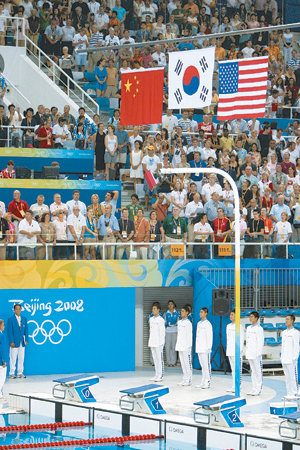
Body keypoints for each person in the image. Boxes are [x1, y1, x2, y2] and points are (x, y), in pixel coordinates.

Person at [245, 311, 264, 396]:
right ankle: (253, 388)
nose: (250, 318)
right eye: (250, 316)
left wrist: (258, 353)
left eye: (252, 317)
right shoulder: (248, 328)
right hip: (250, 353)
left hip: (256, 354)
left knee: (258, 371)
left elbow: (260, 342)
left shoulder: (259, 329)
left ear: (256, 318)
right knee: (253, 371)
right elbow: (248, 341)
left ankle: (258, 388)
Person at [7, 304, 28, 379]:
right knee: (13, 358)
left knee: (21, 358)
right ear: (14, 310)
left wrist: (26, 340)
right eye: (16, 309)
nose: (18, 310)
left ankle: (20, 372)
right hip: (14, 342)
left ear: (21, 309)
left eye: (19, 309)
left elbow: (26, 330)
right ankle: (12, 373)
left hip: (22, 342)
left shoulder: (24, 319)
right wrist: (11, 341)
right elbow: (9, 331)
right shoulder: (11, 319)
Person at [281, 314, 299, 399]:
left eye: (288, 319)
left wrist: (294, 357)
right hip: (284, 358)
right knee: (287, 377)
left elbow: (296, 346)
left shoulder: (296, 332)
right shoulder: (284, 332)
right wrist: (282, 357)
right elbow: (283, 346)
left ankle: (294, 392)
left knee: (293, 376)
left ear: (292, 321)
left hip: (291, 358)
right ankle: (289, 392)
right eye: (286, 319)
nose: (286, 321)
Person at [226, 309, 245, 393]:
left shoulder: (239, 326)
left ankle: (238, 385)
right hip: (230, 350)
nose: (231, 316)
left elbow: (241, 339)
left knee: (238, 370)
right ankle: (234, 385)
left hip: (236, 351)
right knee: (233, 370)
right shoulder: (228, 326)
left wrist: (239, 350)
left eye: (232, 314)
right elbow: (228, 339)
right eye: (230, 314)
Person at [195, 307, 213, 389]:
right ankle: (203, 381)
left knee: (206, 365)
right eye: (200, 312)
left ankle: (208, 381)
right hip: (199, 347)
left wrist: (208, 347)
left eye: (202, 312)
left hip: (205, 348)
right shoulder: (199, 323)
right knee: (202, 365)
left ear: (206, 313)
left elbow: (209, 337)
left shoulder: (208, 324)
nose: (200, 313)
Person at [175, 305, 193, 386]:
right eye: (181, 311)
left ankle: (189, 379)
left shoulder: (188, 323)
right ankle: (184, 378)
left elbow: (189, 335)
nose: (181, 313)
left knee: (187, 363)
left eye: (183, 311)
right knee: (182, 363)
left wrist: (188, 346)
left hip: (186, 346)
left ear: (187, 313)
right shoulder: (179, 322)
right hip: (180, 345)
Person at [148, 302, 165, 382]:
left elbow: (162, 332)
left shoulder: (161, 320)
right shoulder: (151, 319)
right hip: (152, 341)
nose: (153, 310)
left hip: (159, 342)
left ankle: (160, 375)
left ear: (158, 310)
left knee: (159, 359)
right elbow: (151, 331)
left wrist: (161, 343)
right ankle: (156, 374)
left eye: (154, 309)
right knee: (155, 359)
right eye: (152, 309)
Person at [164, 300, 180, 367]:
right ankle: (168, 362)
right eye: (169, 304)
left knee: (173, 347)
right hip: (167, 331)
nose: (170, 305)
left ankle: (173, 362)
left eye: (171, 304)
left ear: (174, 305)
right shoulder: (165, 313)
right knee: (167, 347)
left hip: (175, 331)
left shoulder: (177, 313)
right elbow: (164, 323)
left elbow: (179, 322)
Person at [0, 319, 7, 398]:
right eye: (3, 324)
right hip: (0, 361)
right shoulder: (1, 335)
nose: (4, 326)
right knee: (2, 378)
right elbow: (2, 349)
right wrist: (4, 360)